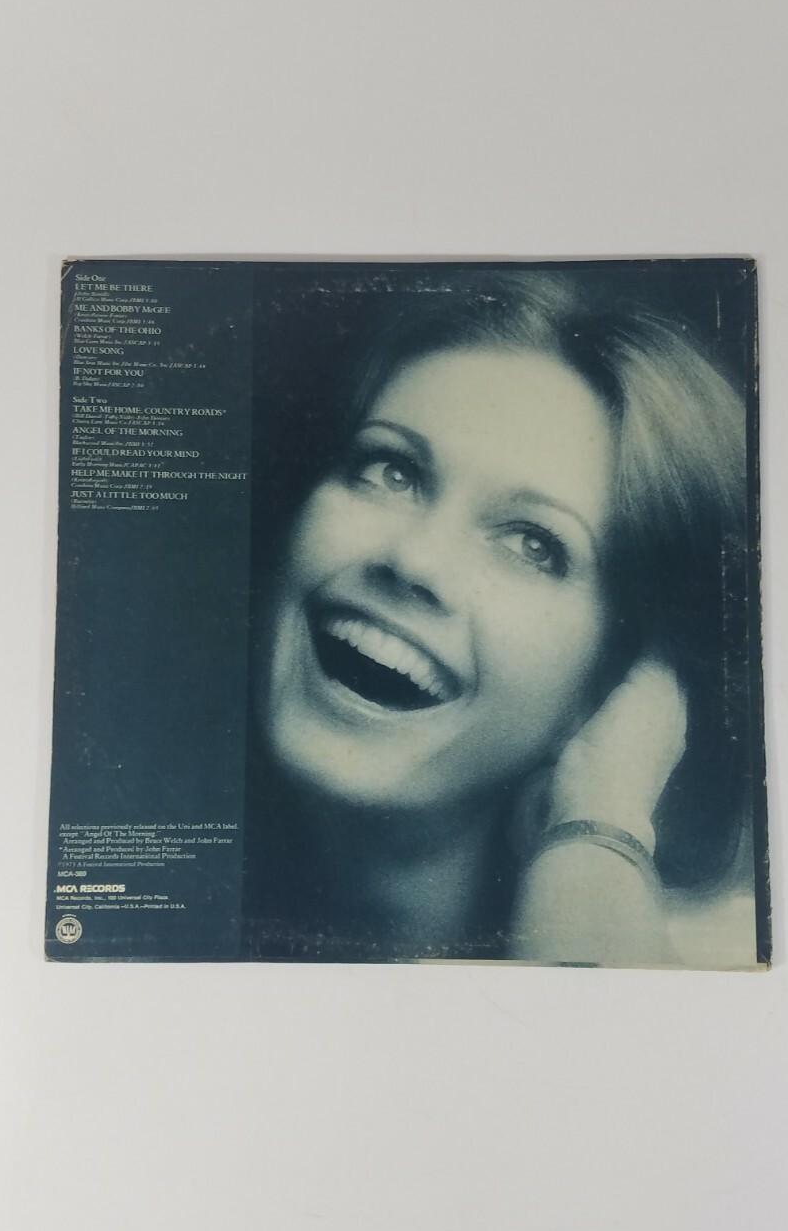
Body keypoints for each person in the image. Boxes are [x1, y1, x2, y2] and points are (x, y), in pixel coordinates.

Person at [243, 268, 755, 966]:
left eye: (531, 544)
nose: (413, 561)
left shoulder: (712, 966)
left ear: (621, 681)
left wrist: (600, 826)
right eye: (392, 471)